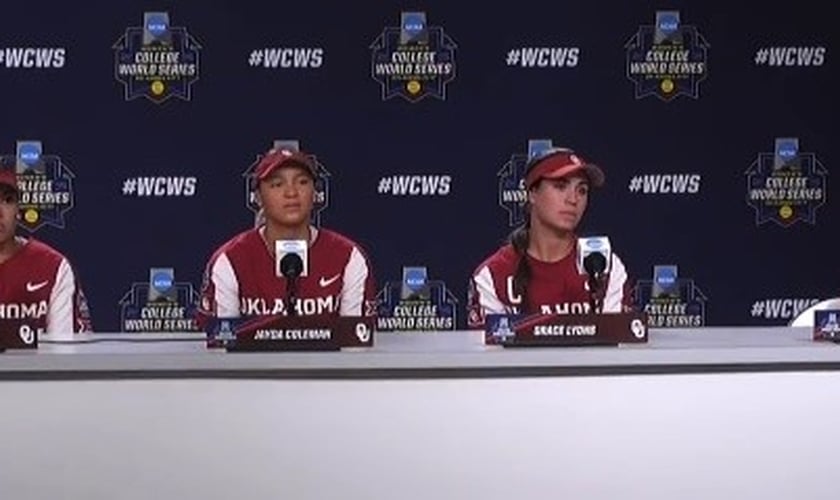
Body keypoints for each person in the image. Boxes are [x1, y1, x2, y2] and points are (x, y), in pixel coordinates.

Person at [196, 147, 377, 326]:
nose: (291, 193)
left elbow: (357, 341)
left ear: (315, 193)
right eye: (277, 184)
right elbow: (220, 344)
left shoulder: (348, 257)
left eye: (302, 182)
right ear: (258, 197)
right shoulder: (229, 260)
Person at [467, 147, 633, 328]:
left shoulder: (606, 267)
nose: (573, 199)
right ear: (532, 193)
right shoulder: (493, 275)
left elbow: (617, 349)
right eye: (560, 186)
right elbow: (487, 354)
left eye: (582, 190)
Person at [0, 166, 93, 338]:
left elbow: (64, 354)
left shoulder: (53, 267)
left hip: (35, 366)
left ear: (19, 211)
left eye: (7, 200)